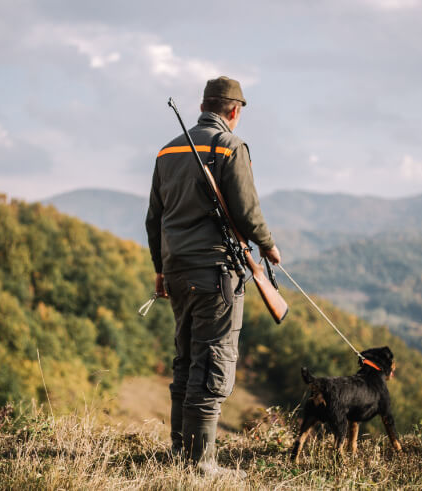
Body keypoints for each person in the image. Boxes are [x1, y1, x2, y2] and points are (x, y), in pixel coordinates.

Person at [145, 76, 280, 477]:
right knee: (214, 360)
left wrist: (159, 269)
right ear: (234, 111)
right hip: (216, 271)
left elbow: (154, 218)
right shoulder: (230, 146)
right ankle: (201, 465)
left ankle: (178, 455)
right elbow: (246, 209)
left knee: (186, 360)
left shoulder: (167, 150)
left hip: (176, 269)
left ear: (205, 105)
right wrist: (268, 245)